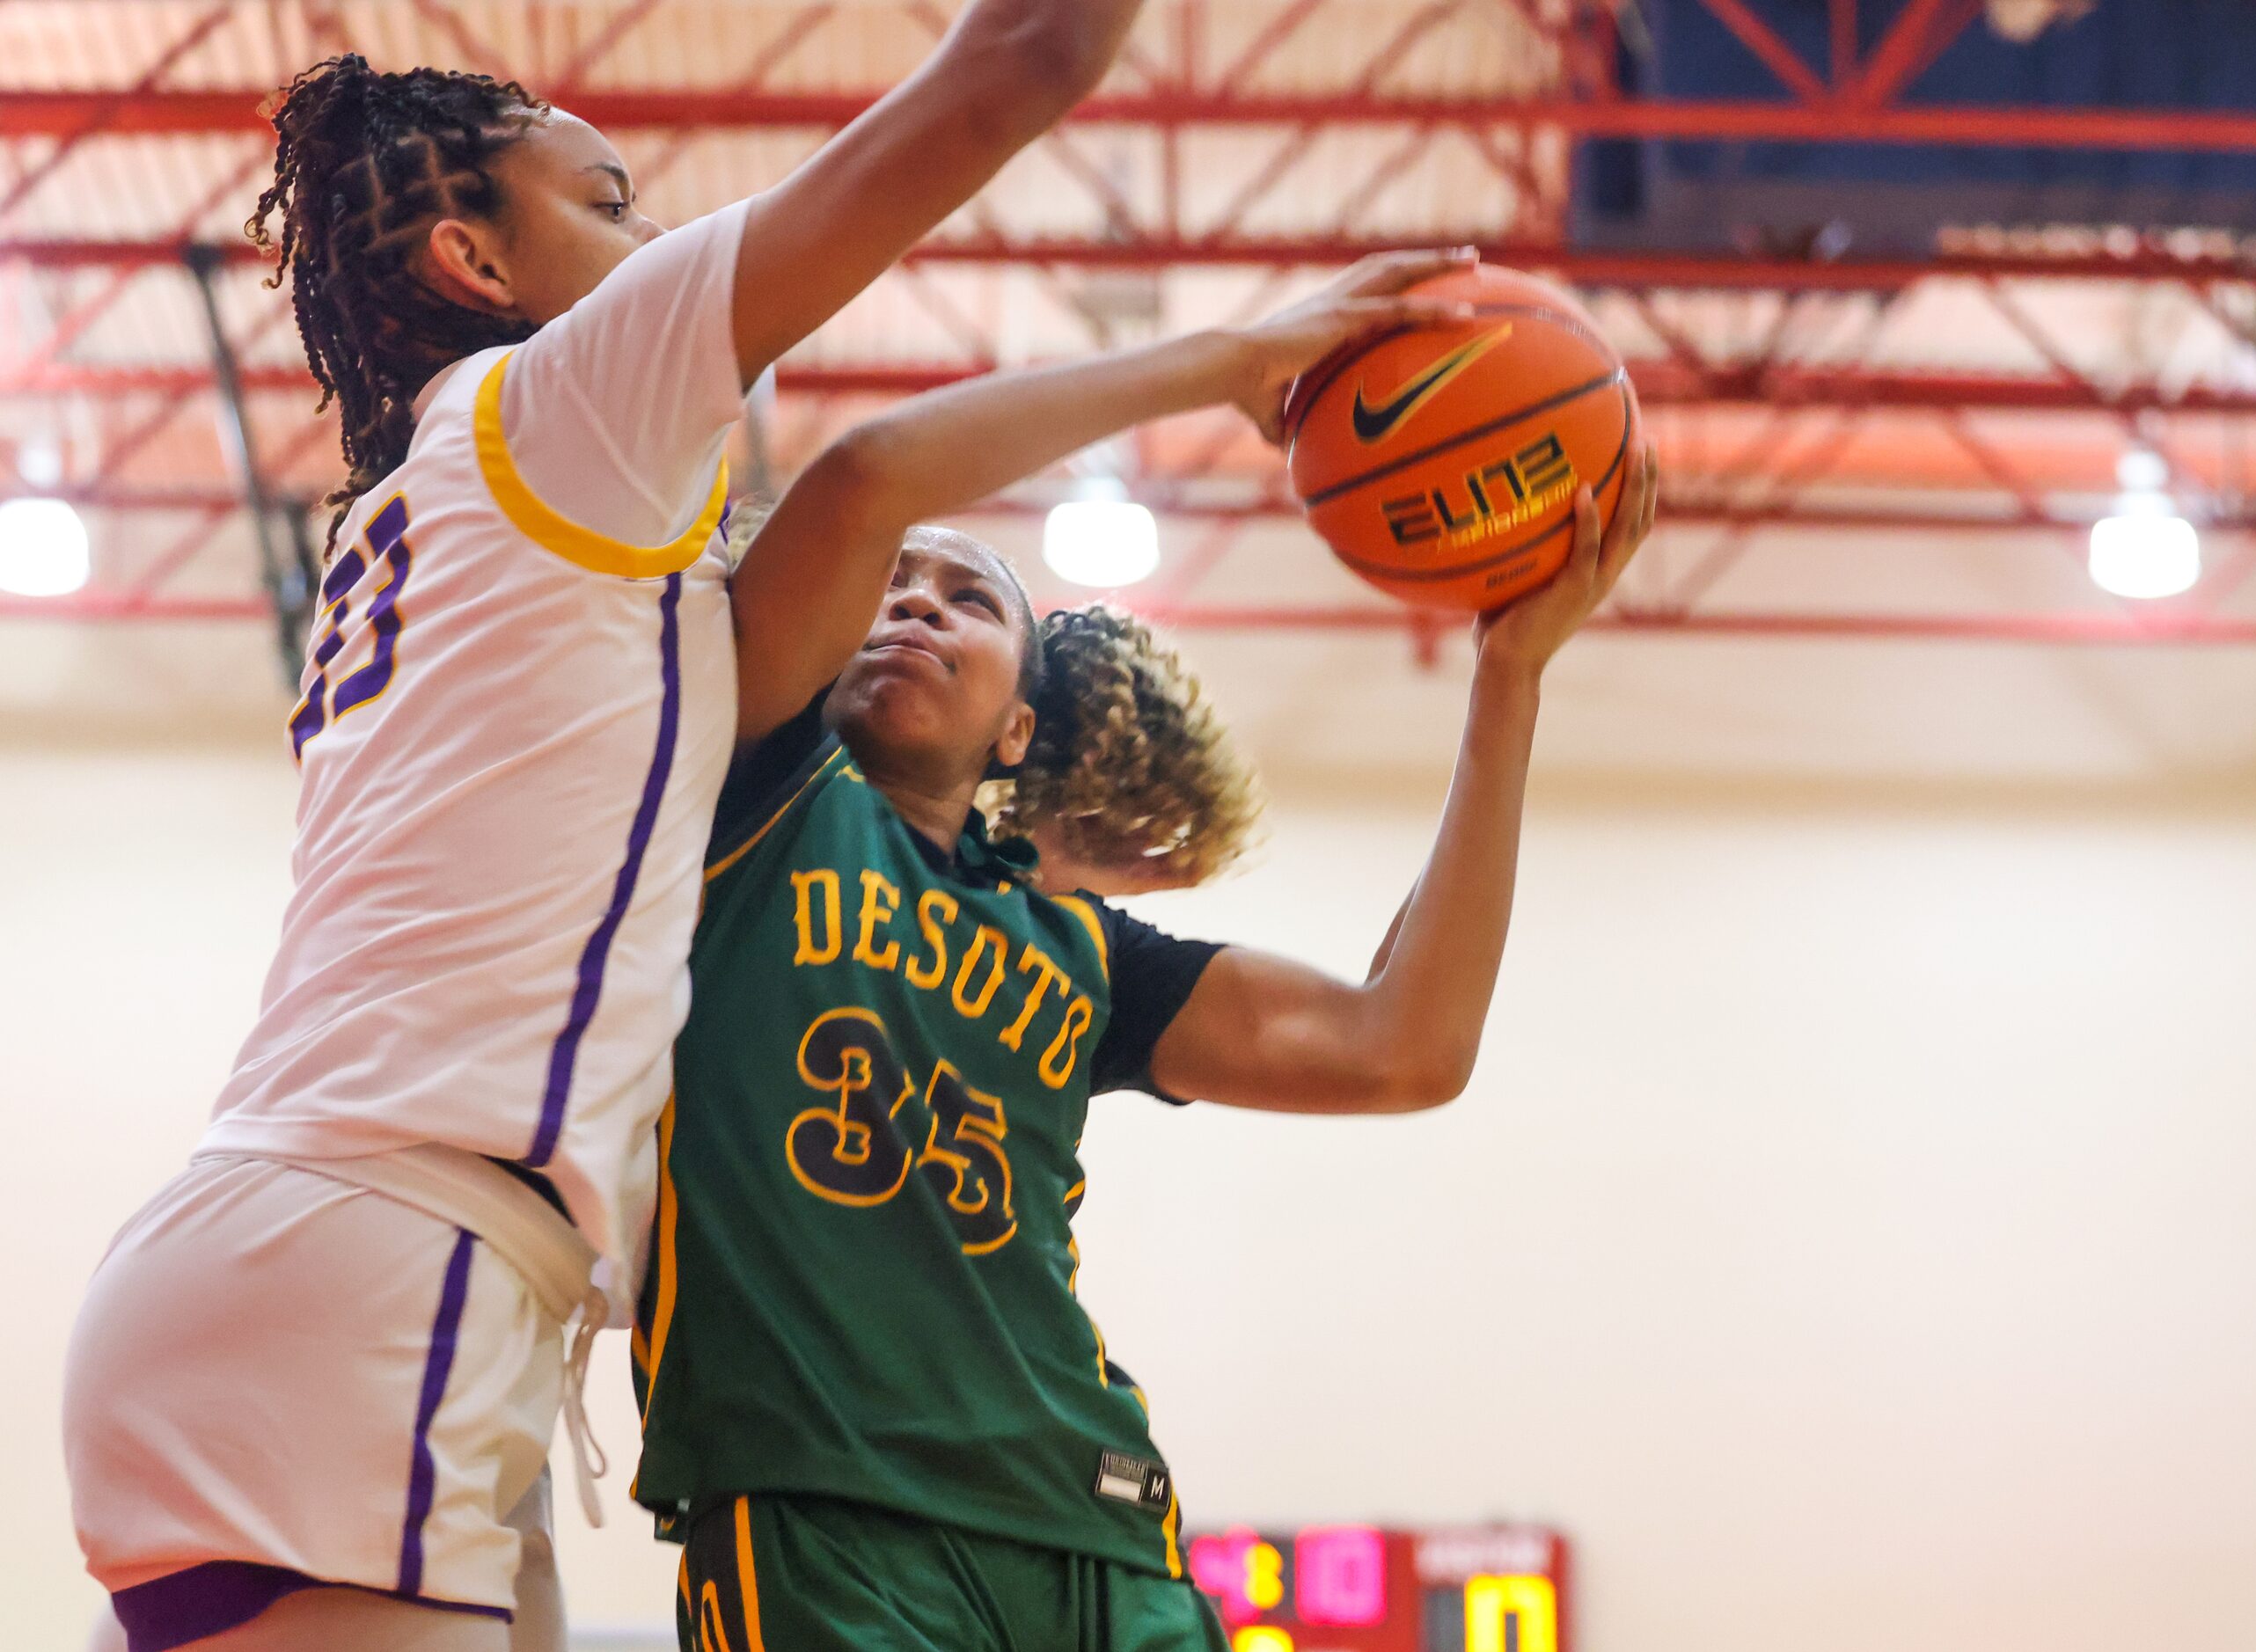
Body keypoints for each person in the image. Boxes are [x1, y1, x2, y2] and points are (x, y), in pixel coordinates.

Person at [61, 7, 1166, 1646]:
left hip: (288, 1261)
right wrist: (1251, 351)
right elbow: (1026, 63)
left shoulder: (417, 525)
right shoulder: (550, 410)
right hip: (394, 1264)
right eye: (610, 201)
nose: (653, 240)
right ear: (474, 258)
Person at [632, 411, 1659, 1645]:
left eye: (967, 599)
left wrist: (1508, 677)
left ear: (1016, 728)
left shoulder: (1077, 947)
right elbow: (850, 491)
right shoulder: (738, 800)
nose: (914, 605)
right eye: (889, 584)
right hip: (824, 1512)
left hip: (1094, 1519)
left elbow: (1404, 1045)